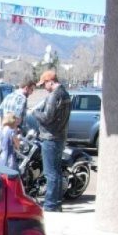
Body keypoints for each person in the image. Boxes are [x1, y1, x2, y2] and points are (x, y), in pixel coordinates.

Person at [31, 70, 72, 212]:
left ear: (51, 81)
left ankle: (50, 205)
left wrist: (34, 112)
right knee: (57, 172)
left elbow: (47, 117)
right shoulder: (65, 94)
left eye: (44, 84)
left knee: (50, 173)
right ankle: (57, 202)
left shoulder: (53, 96)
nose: (44, 87)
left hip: (50, 137)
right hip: (60, 137)